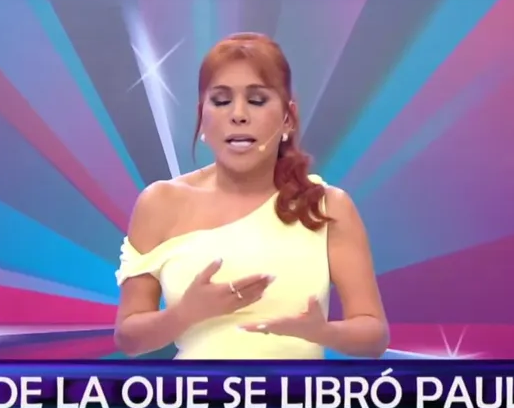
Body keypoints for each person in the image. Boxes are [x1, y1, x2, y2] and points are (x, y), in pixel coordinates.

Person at [114, 33, 390, 360]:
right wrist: (185, 314)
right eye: (221, 101)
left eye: (257, 100)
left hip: (295, 392)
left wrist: (323, 332)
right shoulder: (160, 203)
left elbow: (373, 334)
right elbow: (129, 338)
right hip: (197, 392)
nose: (238, 114)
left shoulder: (328, 207)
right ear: (202, 117)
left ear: (287, 118)